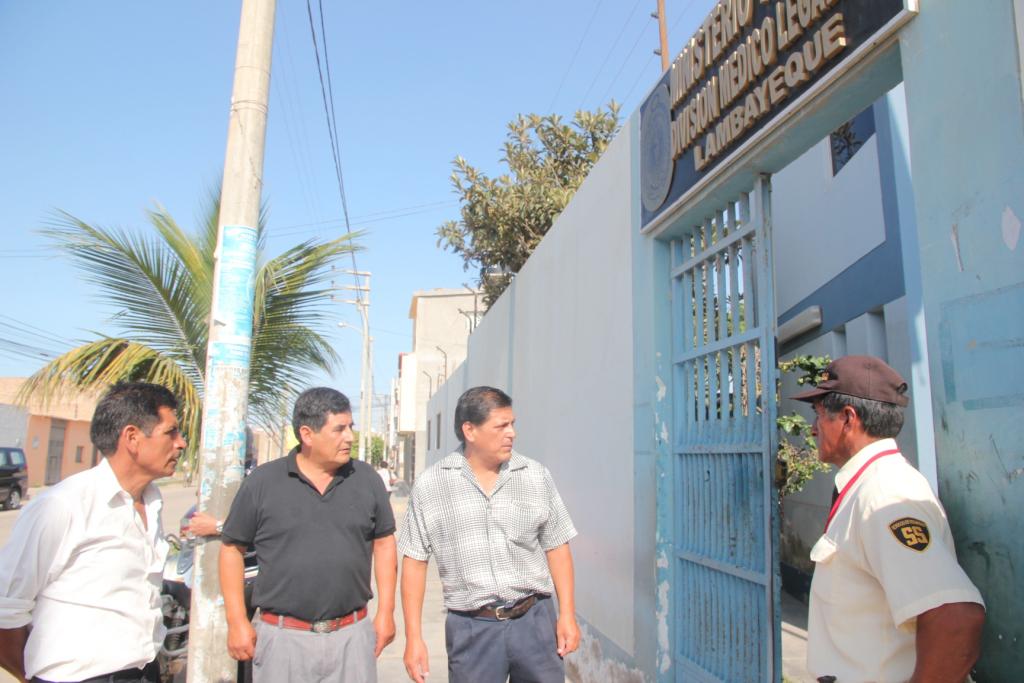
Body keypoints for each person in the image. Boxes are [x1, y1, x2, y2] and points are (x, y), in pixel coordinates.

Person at [792, 355, 985, 683]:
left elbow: (955, 619)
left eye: (819, 415)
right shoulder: (869, 485)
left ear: (849, 418)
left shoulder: (884, 493)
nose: (812, 429)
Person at [0, 382, 186, 683]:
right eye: (171, 432)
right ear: (132, 438)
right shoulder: (64, 505)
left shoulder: (151, 502)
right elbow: (5, 612)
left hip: (143, 672)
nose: (181, 443)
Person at [399, 386, 580, 683]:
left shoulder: (535, 476)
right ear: (469, 430)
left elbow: (557, 546)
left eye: (512, 424)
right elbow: (415, 562)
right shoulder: (431, 485)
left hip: (534, 622)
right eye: (501, 426)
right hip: (472, 631)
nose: (512, 433)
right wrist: (414, 637)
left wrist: (568, 615)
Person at [219, 387, 397, 683]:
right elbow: (231, 550)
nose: (350, 437)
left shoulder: (366, 479)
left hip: (351, 637)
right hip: (282, 641)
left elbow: (384, 543)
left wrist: (386, 612)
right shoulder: (263, 482)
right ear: (307, 434)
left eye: (350, 427)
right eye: (339, 429)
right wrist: (236, 620)